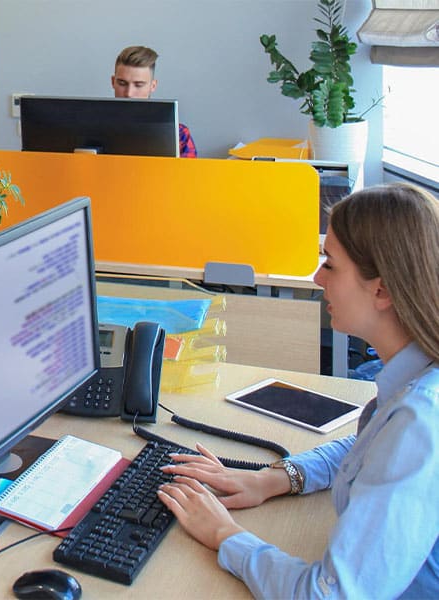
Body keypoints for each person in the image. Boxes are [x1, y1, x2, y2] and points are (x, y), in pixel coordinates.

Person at [157, 182, 439, 598]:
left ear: (382, 290)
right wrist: (275, 479)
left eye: (330, 264)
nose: (317, 277)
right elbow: (373, 449)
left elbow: (328, 595)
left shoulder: (420, 420)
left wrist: (224, 534)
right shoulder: (416, 379)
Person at [111, 45, 197, 158]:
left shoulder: (179, 134)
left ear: (153, 86)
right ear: (113, 82)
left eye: (138, 85)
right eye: (122, 83)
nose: (129, 93)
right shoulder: (91, 127)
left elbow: (188, 169)